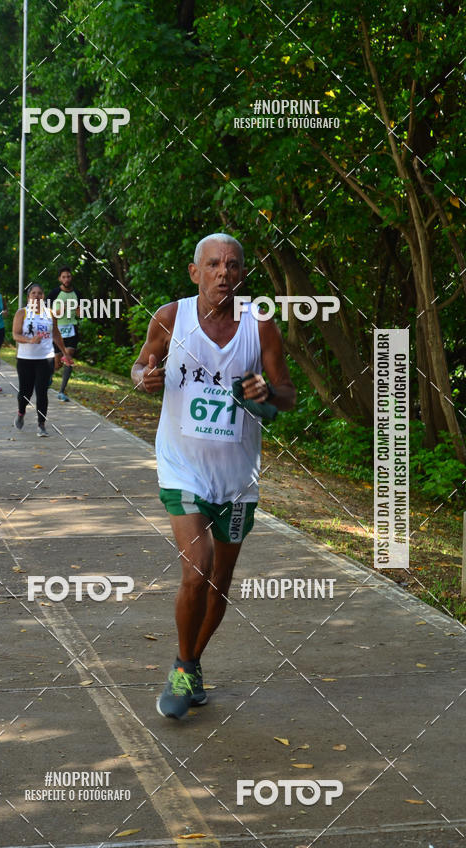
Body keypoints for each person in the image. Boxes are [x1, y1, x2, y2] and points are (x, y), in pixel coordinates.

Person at [131, 233, 296, 719]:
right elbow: (140, 366)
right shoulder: (170, 318)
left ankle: (192, 664)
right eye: (214, 264)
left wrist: (267, 393)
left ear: (242, 274)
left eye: (233, 264)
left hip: (238, 477)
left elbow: (288, 396)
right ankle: (182, 668)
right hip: (182, 466)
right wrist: (145, 378)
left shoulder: (259, 326)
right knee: (197, 568)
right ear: (195, 271)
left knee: (219, 582)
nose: (224, 272)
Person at [12, 283, 73, 436]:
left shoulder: (50, 313)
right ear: (28, 297)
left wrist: (65, 353)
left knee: (42, 392)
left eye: (40, 293)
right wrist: (30, 340)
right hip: (25, 359)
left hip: (45, 358)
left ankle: (41, 424)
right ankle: (21, 412)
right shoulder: (22, 313)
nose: (37, 296)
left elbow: (56, 334)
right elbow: (16, 335)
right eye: (34, 293)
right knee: (25, 392)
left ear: (44, 296)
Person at [46, 266, 83, 402]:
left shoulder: (78, 293)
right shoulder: (54, 293)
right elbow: (47, 312)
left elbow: (80, 313)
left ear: (71, 277)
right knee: (57, 363)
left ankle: (62, 391)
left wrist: (80, 310)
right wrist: (60, 311)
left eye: (68, 276)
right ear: (59, 279)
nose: (66, 279)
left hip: (72, 328)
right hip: (57, 330)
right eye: (64, 277)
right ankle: (49, 376)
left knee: (69, 356)